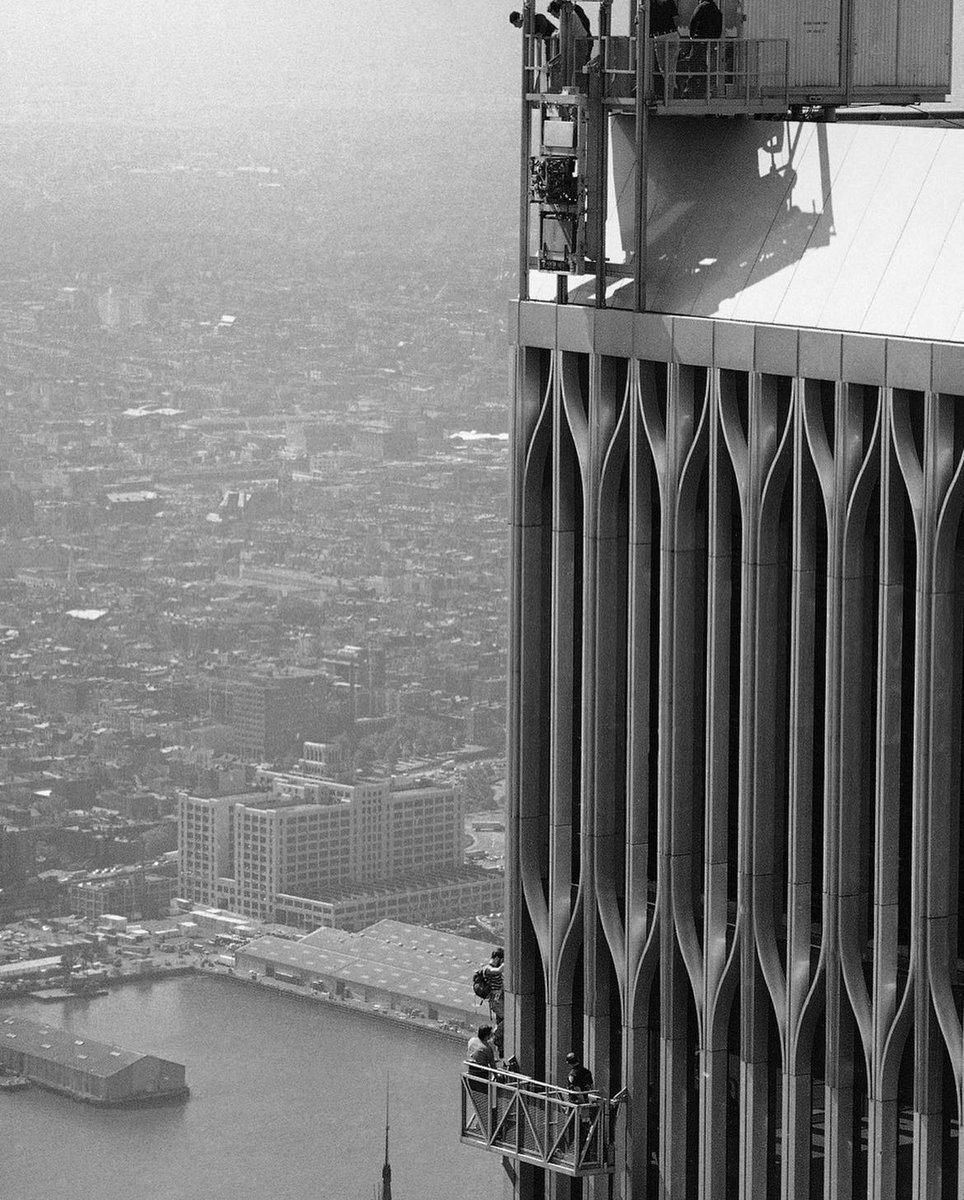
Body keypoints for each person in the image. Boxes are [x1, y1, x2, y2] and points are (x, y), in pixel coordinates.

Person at [685, 0, 723, 96]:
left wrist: (691, 35)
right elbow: (719, 28)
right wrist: (715, 39)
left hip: (700, 39)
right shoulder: (717, 10)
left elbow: (694, 20)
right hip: (711, 41)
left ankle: (692, 88)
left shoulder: (701, 7)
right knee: (709, 65)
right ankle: (707, 87)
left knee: (695, 63)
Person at [649, 0, 680, 100]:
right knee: (670, 68)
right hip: (672, 35)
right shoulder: (669, 1)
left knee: (664, 68)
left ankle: (670, 95)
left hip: (659, 37)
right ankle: (671, 94)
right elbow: (676, 20)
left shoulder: (650, 4)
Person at [481, 947, 505, 1054]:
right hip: (496, 1001)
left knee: (501, 1021)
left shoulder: (494, 968)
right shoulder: (487, 968)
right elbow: (497, 971)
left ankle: (500, 1045)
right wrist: (507, 963)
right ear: (498, 958)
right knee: (508, 1019)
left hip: (500, 1000)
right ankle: (495, 1035)